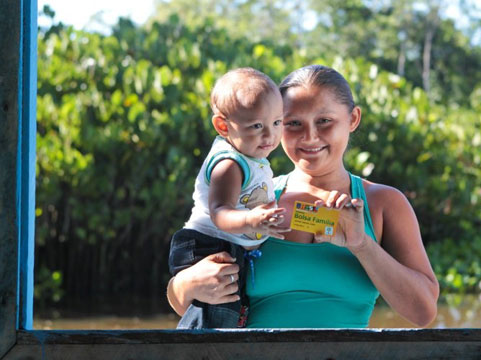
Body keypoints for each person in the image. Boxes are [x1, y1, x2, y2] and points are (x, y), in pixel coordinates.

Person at [167, 64, 439, 328]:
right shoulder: (253, 202)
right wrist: (188, 283)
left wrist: (362, 245)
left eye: (324, 121)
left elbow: (423, 312)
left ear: (353, 119)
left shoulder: (383, 203)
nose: (310, 137)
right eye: (293, 123)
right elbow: (188, 306)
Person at [168, 67, 290, 328]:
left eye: (277, 123)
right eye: (257, 126)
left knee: (231, 316)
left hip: (228, 247)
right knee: (215, 319)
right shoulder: (229, 164)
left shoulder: (250, 156)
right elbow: (220, 212)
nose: (270, 135)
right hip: (209, 246)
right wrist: (253, 220)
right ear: (223, 126)